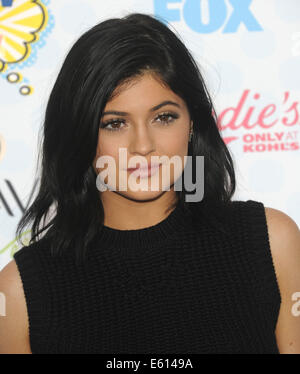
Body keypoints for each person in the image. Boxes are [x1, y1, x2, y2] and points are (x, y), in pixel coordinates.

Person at [0, 12, 300, 354]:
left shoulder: (271, 243)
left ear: (191, 124)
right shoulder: (20, 296)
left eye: (164, 117)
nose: (143, 146)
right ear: (80, 134)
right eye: (115, 123)